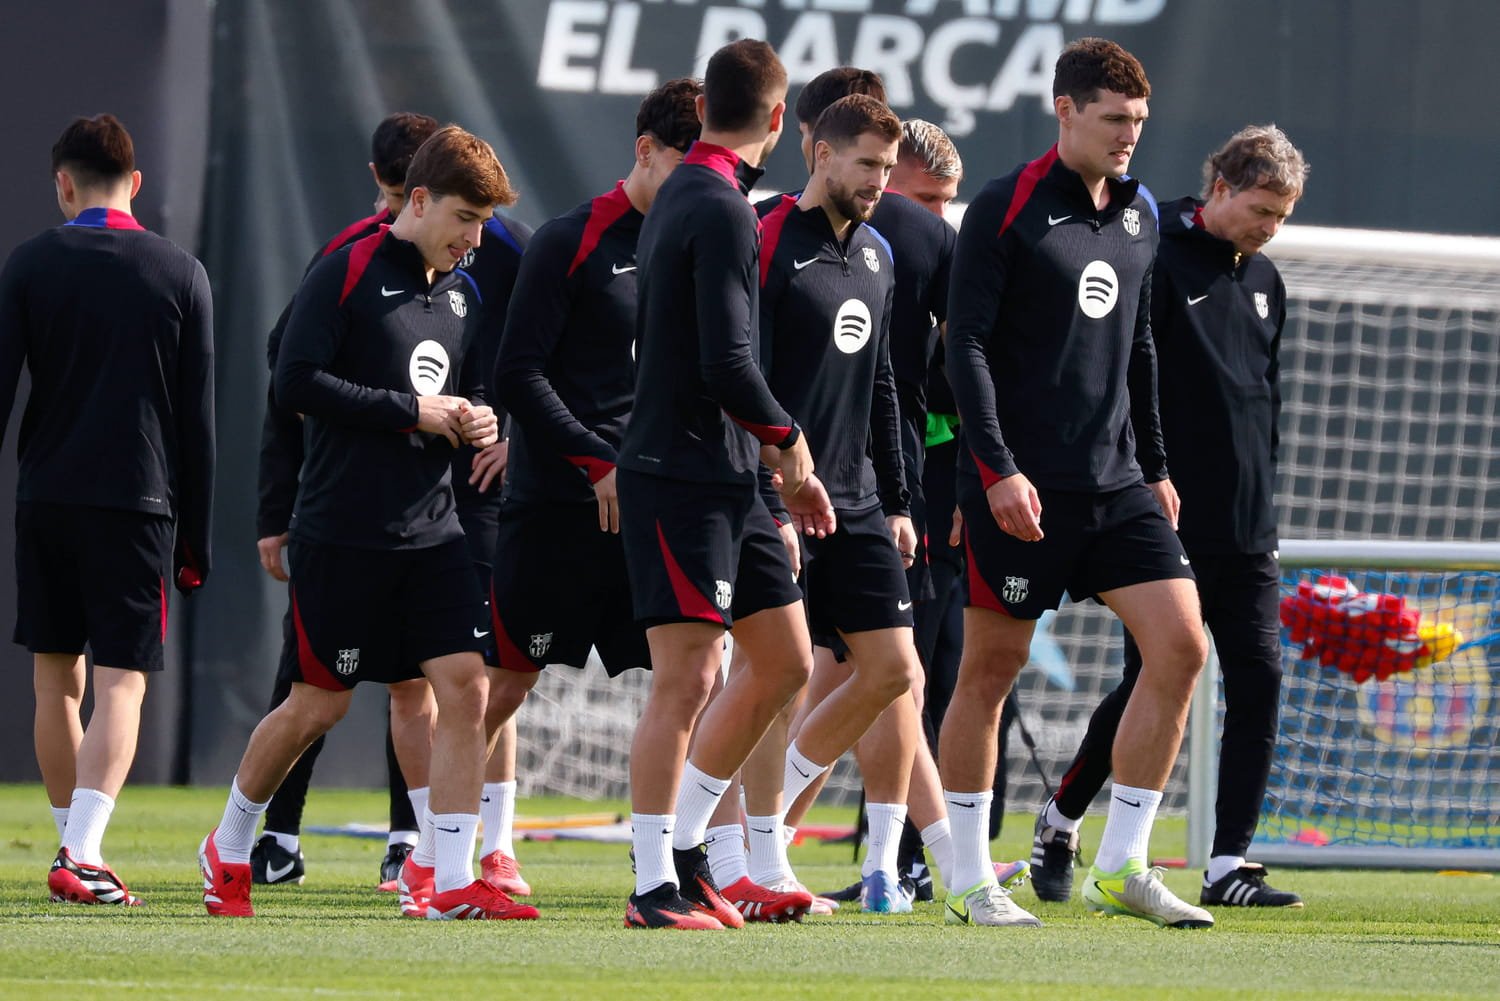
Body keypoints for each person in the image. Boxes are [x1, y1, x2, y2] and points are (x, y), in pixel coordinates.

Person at [199, 125, 536, 922]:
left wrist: (480, 418)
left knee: (464, 688)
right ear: (416, 201)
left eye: (484, 223)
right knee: (320, 703)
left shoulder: (464, 290)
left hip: (437, 533)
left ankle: (448, 876)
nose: (474, 237)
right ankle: (232, 841)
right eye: (464, 217)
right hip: (344, 532)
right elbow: (296, 382)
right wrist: (409, 411)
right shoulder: (344, 268)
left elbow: (465, 387)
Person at [943, 37, 1215, 929]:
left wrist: (1161, 466)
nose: (1130, 136)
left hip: (1119, 483)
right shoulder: (1003, 207)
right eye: (1113, 120)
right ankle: (969, 879)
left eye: (1138, 121)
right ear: (1065, 110)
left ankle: (1122, 864)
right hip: (1023, 486)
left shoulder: (1140, 213)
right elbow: (965, 346)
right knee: (989, 668)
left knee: (1182, 645)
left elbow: (1139, 348)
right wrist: (997, 470)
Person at [1033, 124, 1308, 911]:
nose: (1269, 228)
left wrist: (1263, 502)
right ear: (1220, 187)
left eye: (1281, 216)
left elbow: (1263, 402)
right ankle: (1061, 818)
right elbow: (1122, 372)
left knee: (1258, 680)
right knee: (1154, 678)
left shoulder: (1265, 281)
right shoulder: (1152, 250)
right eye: (1261, 209)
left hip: (1248, 525)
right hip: (1163, 514)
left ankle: (1229, 864)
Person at [616, 37, 835, 930]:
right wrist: (792, 443)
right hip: (680, 472)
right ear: (781, 120)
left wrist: (772, 469)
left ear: (705, 109)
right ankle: (650, 884)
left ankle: (692, 848)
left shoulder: (697, 194)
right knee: (689, 677)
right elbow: (726, 361)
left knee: (784, 659)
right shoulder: (717, 205)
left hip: (730, 475)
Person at [481, 77, 703, 897]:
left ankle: (704, 862)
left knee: (720, 674)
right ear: (645, 151)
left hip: (663, 507)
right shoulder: (570, 239)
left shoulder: (707, 239)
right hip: (559, 508)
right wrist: (593, 459)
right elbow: (517, 372)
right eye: (690, 163)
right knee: (499, 687)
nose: (706, 183)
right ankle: (441, 857)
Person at [0, 114, 214, 906]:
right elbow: (198, 423)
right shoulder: (180, 270)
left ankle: (72, 846)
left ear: (64, 183)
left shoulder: (29, 263)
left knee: (54, 680)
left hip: (45, 498)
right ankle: (82, 852)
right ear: (137, 183)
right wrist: (195, 537)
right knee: (122, 684)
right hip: (139, 502)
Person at [750, 93, 931, 914]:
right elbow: (736, 374)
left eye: (889, 169)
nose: (878, 182)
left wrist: (897, 499)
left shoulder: (880, 255)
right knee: (776, 679)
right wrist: (770, 490)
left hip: (856, 498)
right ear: (818, 153)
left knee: (893, 671)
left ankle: (767, 836)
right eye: (866, 165)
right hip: (775, 493)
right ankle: (737, 854)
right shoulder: (763, 240)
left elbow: (885, 383)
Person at [252, 111, 439, 891]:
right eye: (398, 196)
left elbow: (510, 356)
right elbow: (287, 382)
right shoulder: (344, 261)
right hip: (339, 506)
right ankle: (271, 834)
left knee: (426, 679)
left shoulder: (481, 249)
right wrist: (277, 506)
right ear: (389, 188)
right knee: (313, 687)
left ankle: (415, 842)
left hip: (431, 509)